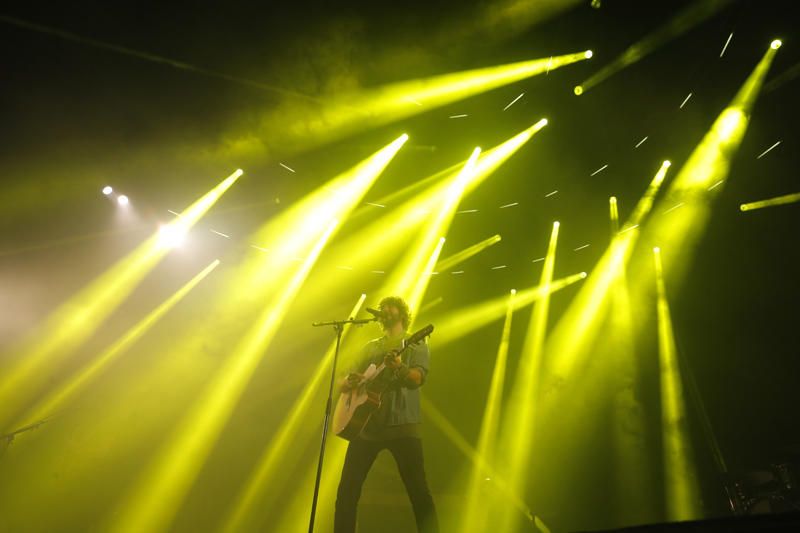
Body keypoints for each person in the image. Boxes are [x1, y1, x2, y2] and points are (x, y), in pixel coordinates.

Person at [334, 296, 439, 533]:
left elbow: (417, 379)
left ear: (401, 313)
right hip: (366, 426)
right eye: (381, 308)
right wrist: (350, 381)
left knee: (418, 492)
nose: (384, 310)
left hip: (403, 425)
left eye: (389, 307)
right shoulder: (370, 347)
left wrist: (399, 367)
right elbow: (342, 380)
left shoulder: (417, 344)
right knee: (347, 492)